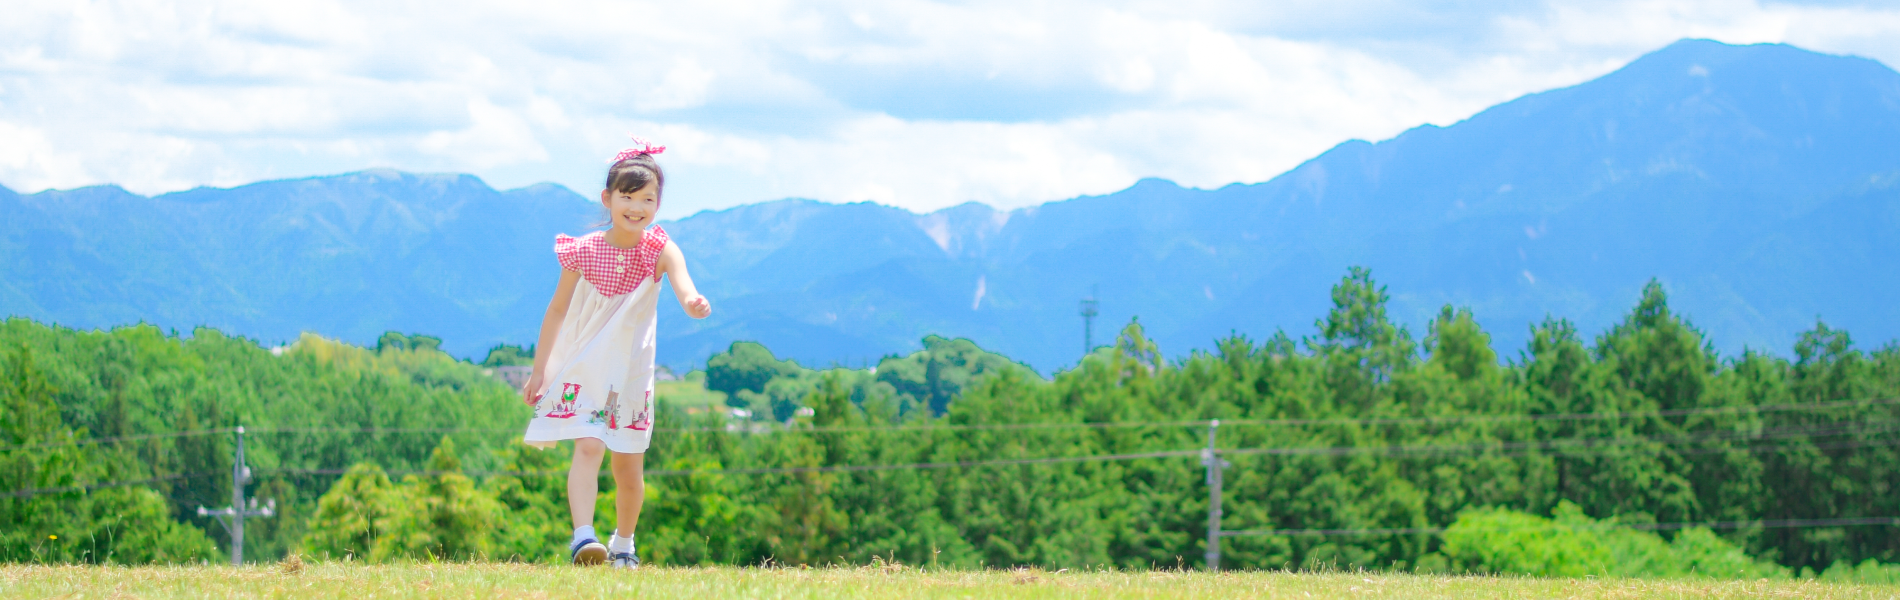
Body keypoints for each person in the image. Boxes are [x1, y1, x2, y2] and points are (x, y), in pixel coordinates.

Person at [520, 136, 712, 568]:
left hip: (631, 370)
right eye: (627, 196)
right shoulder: (583, 251)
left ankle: (624, 542)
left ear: (658, 204)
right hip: (587, 363)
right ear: (608, 199)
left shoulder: (660, 249)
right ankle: (583, 537)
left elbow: (684, 286)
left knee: (628, 467)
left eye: (647, 198)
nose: (636, 206)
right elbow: (556, 311)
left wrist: (694, 303)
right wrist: (540, 372)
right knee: (588, 445)